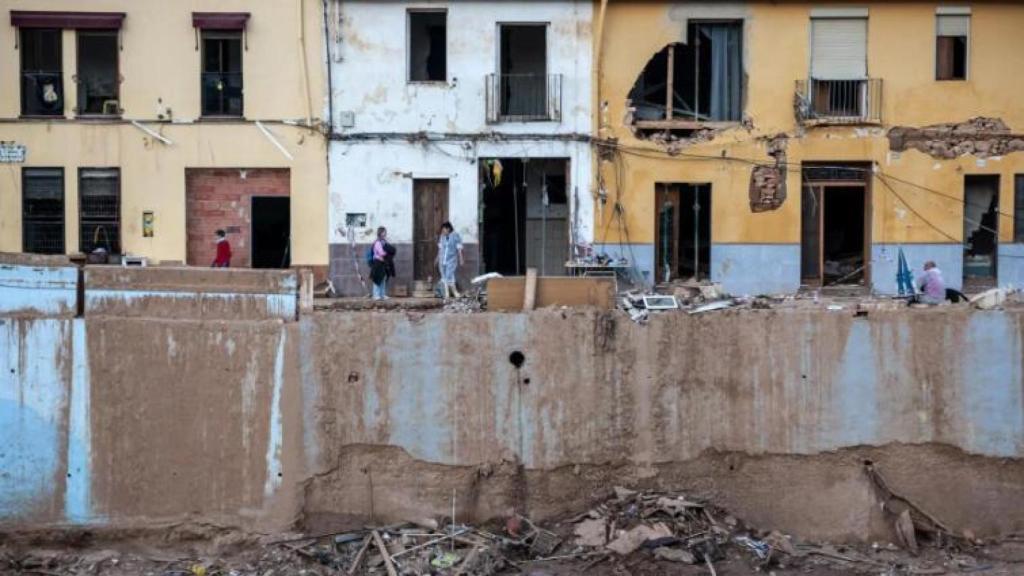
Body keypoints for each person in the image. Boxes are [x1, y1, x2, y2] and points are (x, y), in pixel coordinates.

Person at [437, 221, 464, 299]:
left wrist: (461, 258)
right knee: (444, 276)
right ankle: (447, 293)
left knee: (449, 275)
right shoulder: (442, 236)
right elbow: (440, 248)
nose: (443, 231)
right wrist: (437, 258)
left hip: (451, 259)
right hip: (442, 259)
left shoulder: (455, 236)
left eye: (444, 230)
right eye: (442, 230)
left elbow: (459, 248)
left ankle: (454, 292)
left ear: (448, 229)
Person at [369, 226, 395, 300]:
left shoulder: (384, 241)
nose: (385, 233)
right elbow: (381, 253)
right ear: (380, 233)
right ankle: (376, 295)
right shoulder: (377, 242)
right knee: (377, 278)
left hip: (382, 262)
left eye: (385, 232)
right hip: (377, 262)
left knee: (383, 278)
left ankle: (382, 295)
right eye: (383, 232)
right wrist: (387, 252)